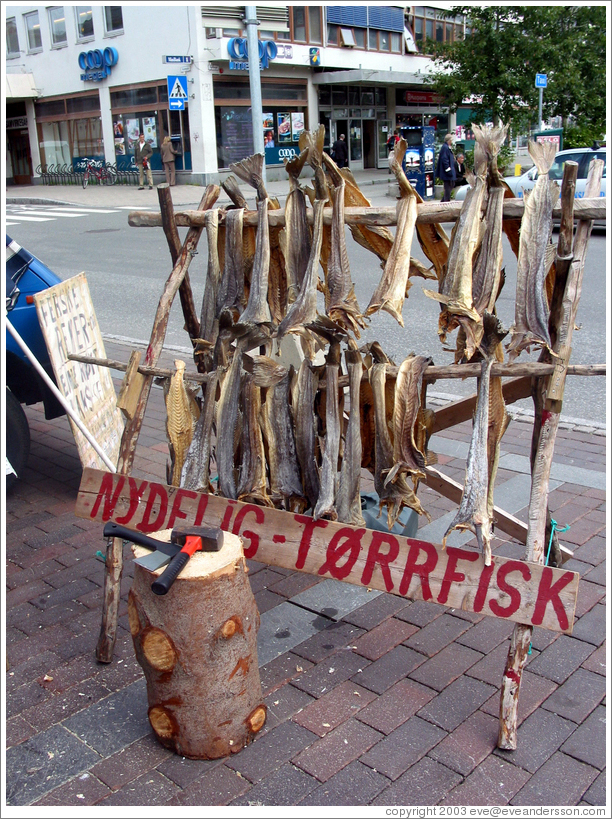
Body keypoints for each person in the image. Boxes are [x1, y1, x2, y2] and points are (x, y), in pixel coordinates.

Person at [436, 133, 456, 202]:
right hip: (447, 173)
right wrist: (448, 170)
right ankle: (446, 201)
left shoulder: (446, 147)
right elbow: (445, 160)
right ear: (449, 140)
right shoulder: (445, 148)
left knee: (451, 185)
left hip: (448, 171)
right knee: (448, 187)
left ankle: (444, 200)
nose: (452, 141)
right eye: (451, 140)